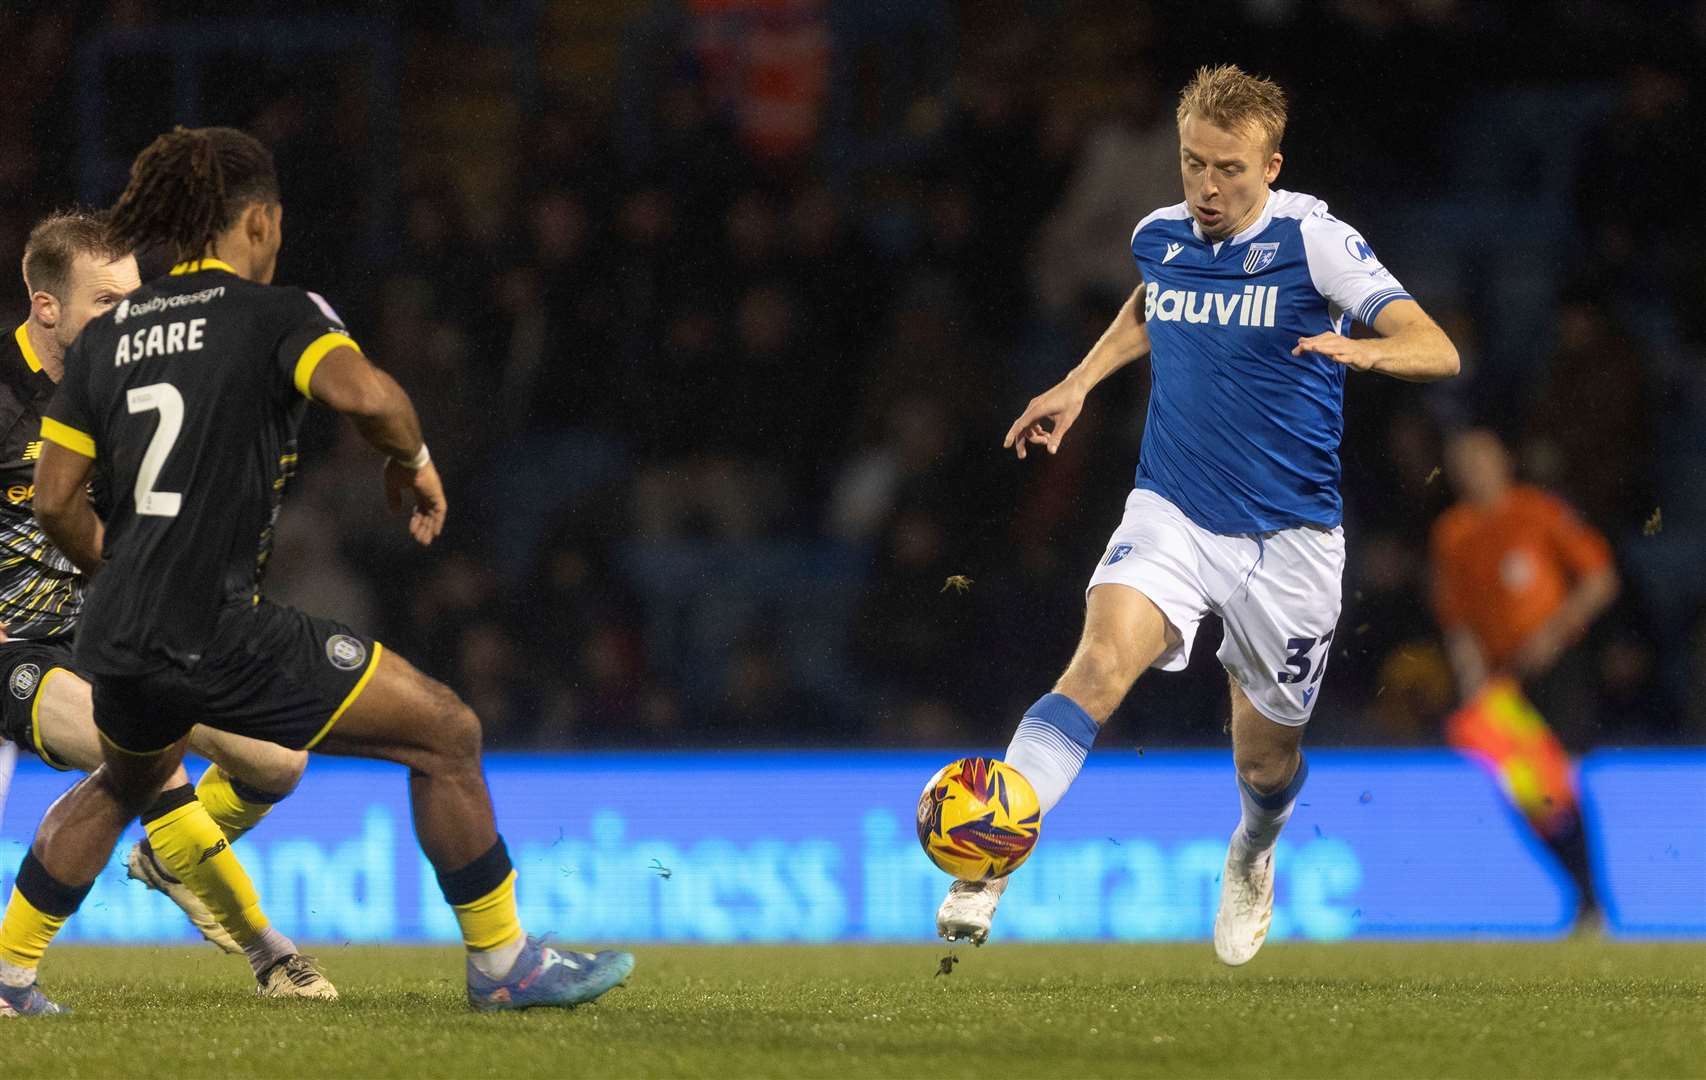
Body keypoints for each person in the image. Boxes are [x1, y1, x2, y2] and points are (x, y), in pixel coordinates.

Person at [0, 127, 633, 1016]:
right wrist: (411, 459)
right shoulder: (276, 313)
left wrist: (125, 566)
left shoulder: (109, 342)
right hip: (207, 627)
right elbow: (370, 395)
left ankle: (8, 974)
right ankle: (504, 964)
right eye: (276, 221)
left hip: (116, 634)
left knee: (128, 782)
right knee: (444, 733)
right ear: (256, 222)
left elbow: (57, 499)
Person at [936, 65, 1459, 963]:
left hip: (1291, 539)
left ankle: (1255, 846)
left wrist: (1364, 354)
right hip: (1173, 509)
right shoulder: (1161, 236)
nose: (1208, 189)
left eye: (1229, 170)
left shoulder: (1315, 241)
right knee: (1098, 662)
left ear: (1271, 166)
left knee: (1263, 763)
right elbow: (1151, 305)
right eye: (1192, 166)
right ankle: (985, 864)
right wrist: (1077, 382)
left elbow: (1436, 348)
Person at [0, 211, 333, 1001]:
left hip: (111, 631)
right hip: (15, 650)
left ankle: (166, 858)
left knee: (279, 759)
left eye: (136, 298)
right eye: (108, 303)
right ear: (48, 308)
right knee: (145, 765)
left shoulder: (125, 388)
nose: (130, 319)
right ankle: (269, 953)